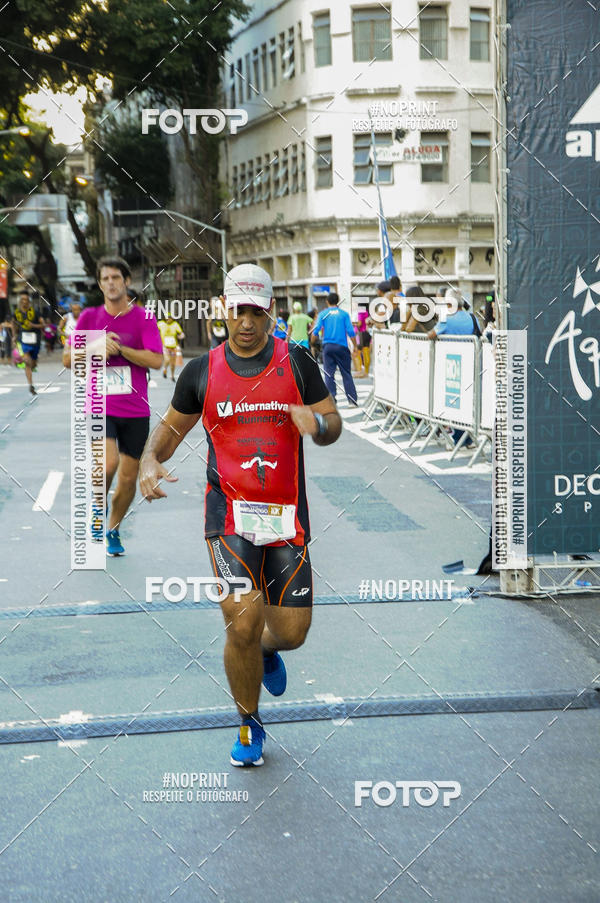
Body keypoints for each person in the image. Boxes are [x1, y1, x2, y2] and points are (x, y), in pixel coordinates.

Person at [139, 263, 342, 767]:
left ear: (270, 311)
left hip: (285, 518)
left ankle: (266, 652)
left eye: (256, 311)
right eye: (238, 311)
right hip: (228, 516)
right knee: (242, 620)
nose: (246, 322)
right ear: (224, 311)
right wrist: (147, 462)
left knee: (290, 633)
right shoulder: (201, 372)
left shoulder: (296, 363)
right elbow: (166, 435)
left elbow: (333, 423)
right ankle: (248, 724)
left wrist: (314, 422)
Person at [63, 256, 163, 556]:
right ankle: (97, 505)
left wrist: (120, 349)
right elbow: (68, 359)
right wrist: (95, 346)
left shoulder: (143, 318)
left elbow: (157, 360)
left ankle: (114, 528)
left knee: (130, 478)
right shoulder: (90, 318)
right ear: (99, 283)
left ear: (127, 281)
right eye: (105, 278)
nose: (110, 283)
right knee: (107, 464)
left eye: (116, 278)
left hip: (135, 409)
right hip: (99, 405)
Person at [312, 293, 358, 405]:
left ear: (327, 301)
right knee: (346, 373)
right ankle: (352, 400)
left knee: (329, 374)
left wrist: (312, 342)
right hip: (342, 347)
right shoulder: (344, 314)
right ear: (338, 301)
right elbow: (351, 332)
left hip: (328, 347)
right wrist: (355, 346)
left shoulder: (323, 314)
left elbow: (316, 329)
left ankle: (331, 399)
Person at [11, 290, 44, 395]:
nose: (24, 302)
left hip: (35, 340)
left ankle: (34, 363)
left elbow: (43, 325)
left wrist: (33, 326)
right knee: (27, 362)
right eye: (22, 300)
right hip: (23, 340)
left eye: (26, 299)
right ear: (20, 301)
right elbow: (13, 324)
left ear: (29, 301)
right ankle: (31, 385)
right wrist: (14, 336)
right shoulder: (16, 313)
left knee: (33, 363)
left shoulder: (36, 312)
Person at [158, 313, 185, 381]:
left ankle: (172, 376)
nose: (168, 319)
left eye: (169, 318)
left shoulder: (175, 324)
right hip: (165, 346)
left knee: (172, 363)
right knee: (167, 359)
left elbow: (181, 333)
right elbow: (153, 330)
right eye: (167, 318)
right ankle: (165, 369)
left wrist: (181, 336)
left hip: (173, 346)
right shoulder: (160, 324)